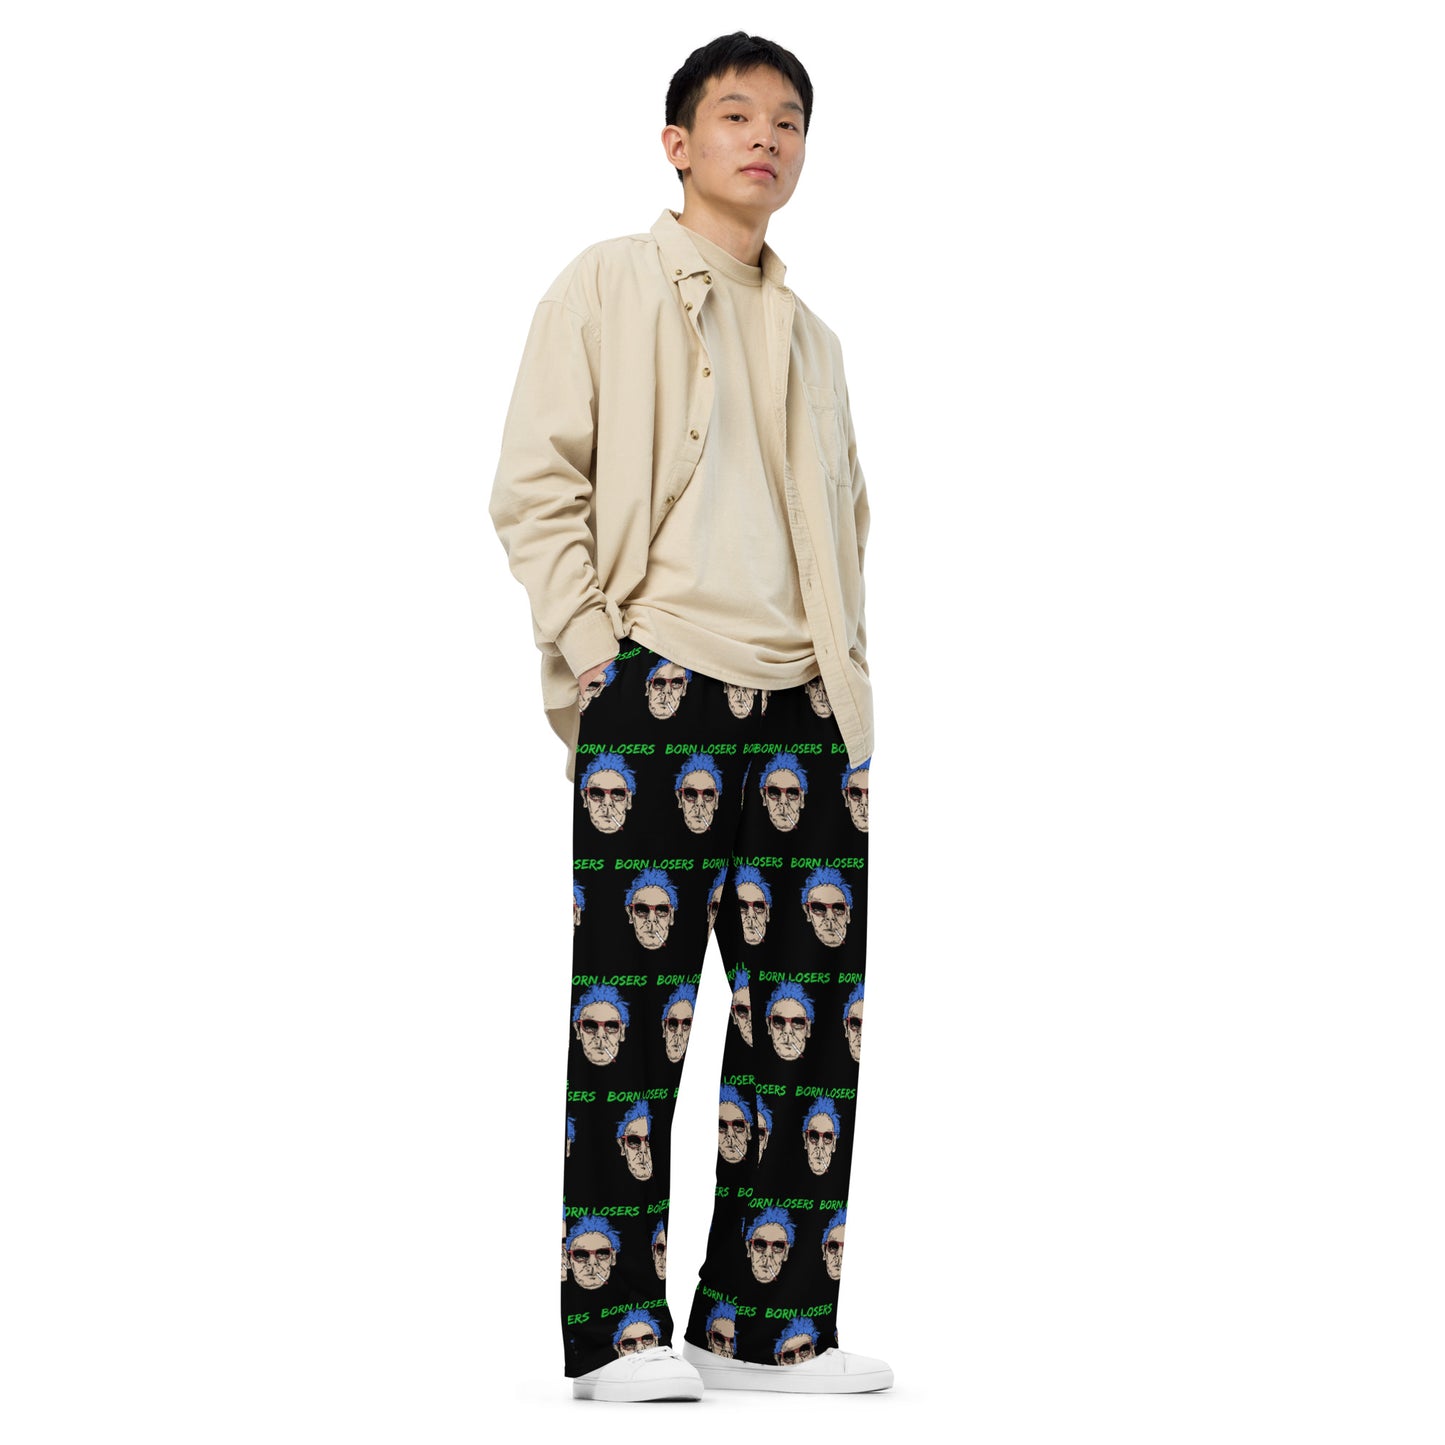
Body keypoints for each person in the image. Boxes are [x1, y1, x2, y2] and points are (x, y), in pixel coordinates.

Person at [489, 31, 889, 1402]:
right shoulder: (604, 284)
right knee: (632, 1018)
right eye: (735, 114)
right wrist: (597, 651)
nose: (764, 137)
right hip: (657, 685)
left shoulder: (816, 340)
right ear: (678, 143)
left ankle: (764, 1326)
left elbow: (847, 523)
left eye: (788, 120)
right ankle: (615, 1334)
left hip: (807, 710)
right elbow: (533, 484)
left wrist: (847, 696)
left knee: (807, 1029)